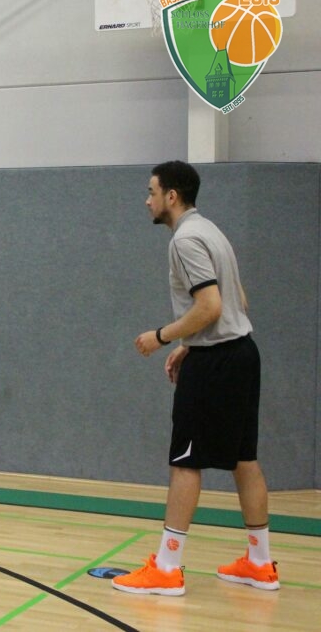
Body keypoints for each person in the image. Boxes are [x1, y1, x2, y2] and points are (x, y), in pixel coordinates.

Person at [112, 161, 279, 596]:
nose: (147, 200)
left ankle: (167, 568)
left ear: (172, 196)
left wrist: (163, 337)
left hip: (216, 365)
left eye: (152, 192)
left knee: (185, 461)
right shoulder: (211, 231)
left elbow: (211, 306)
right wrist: (191, 344)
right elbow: (238, 300)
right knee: (244, 459)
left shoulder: (185, 240)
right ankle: (260, 563)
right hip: (241, 355)